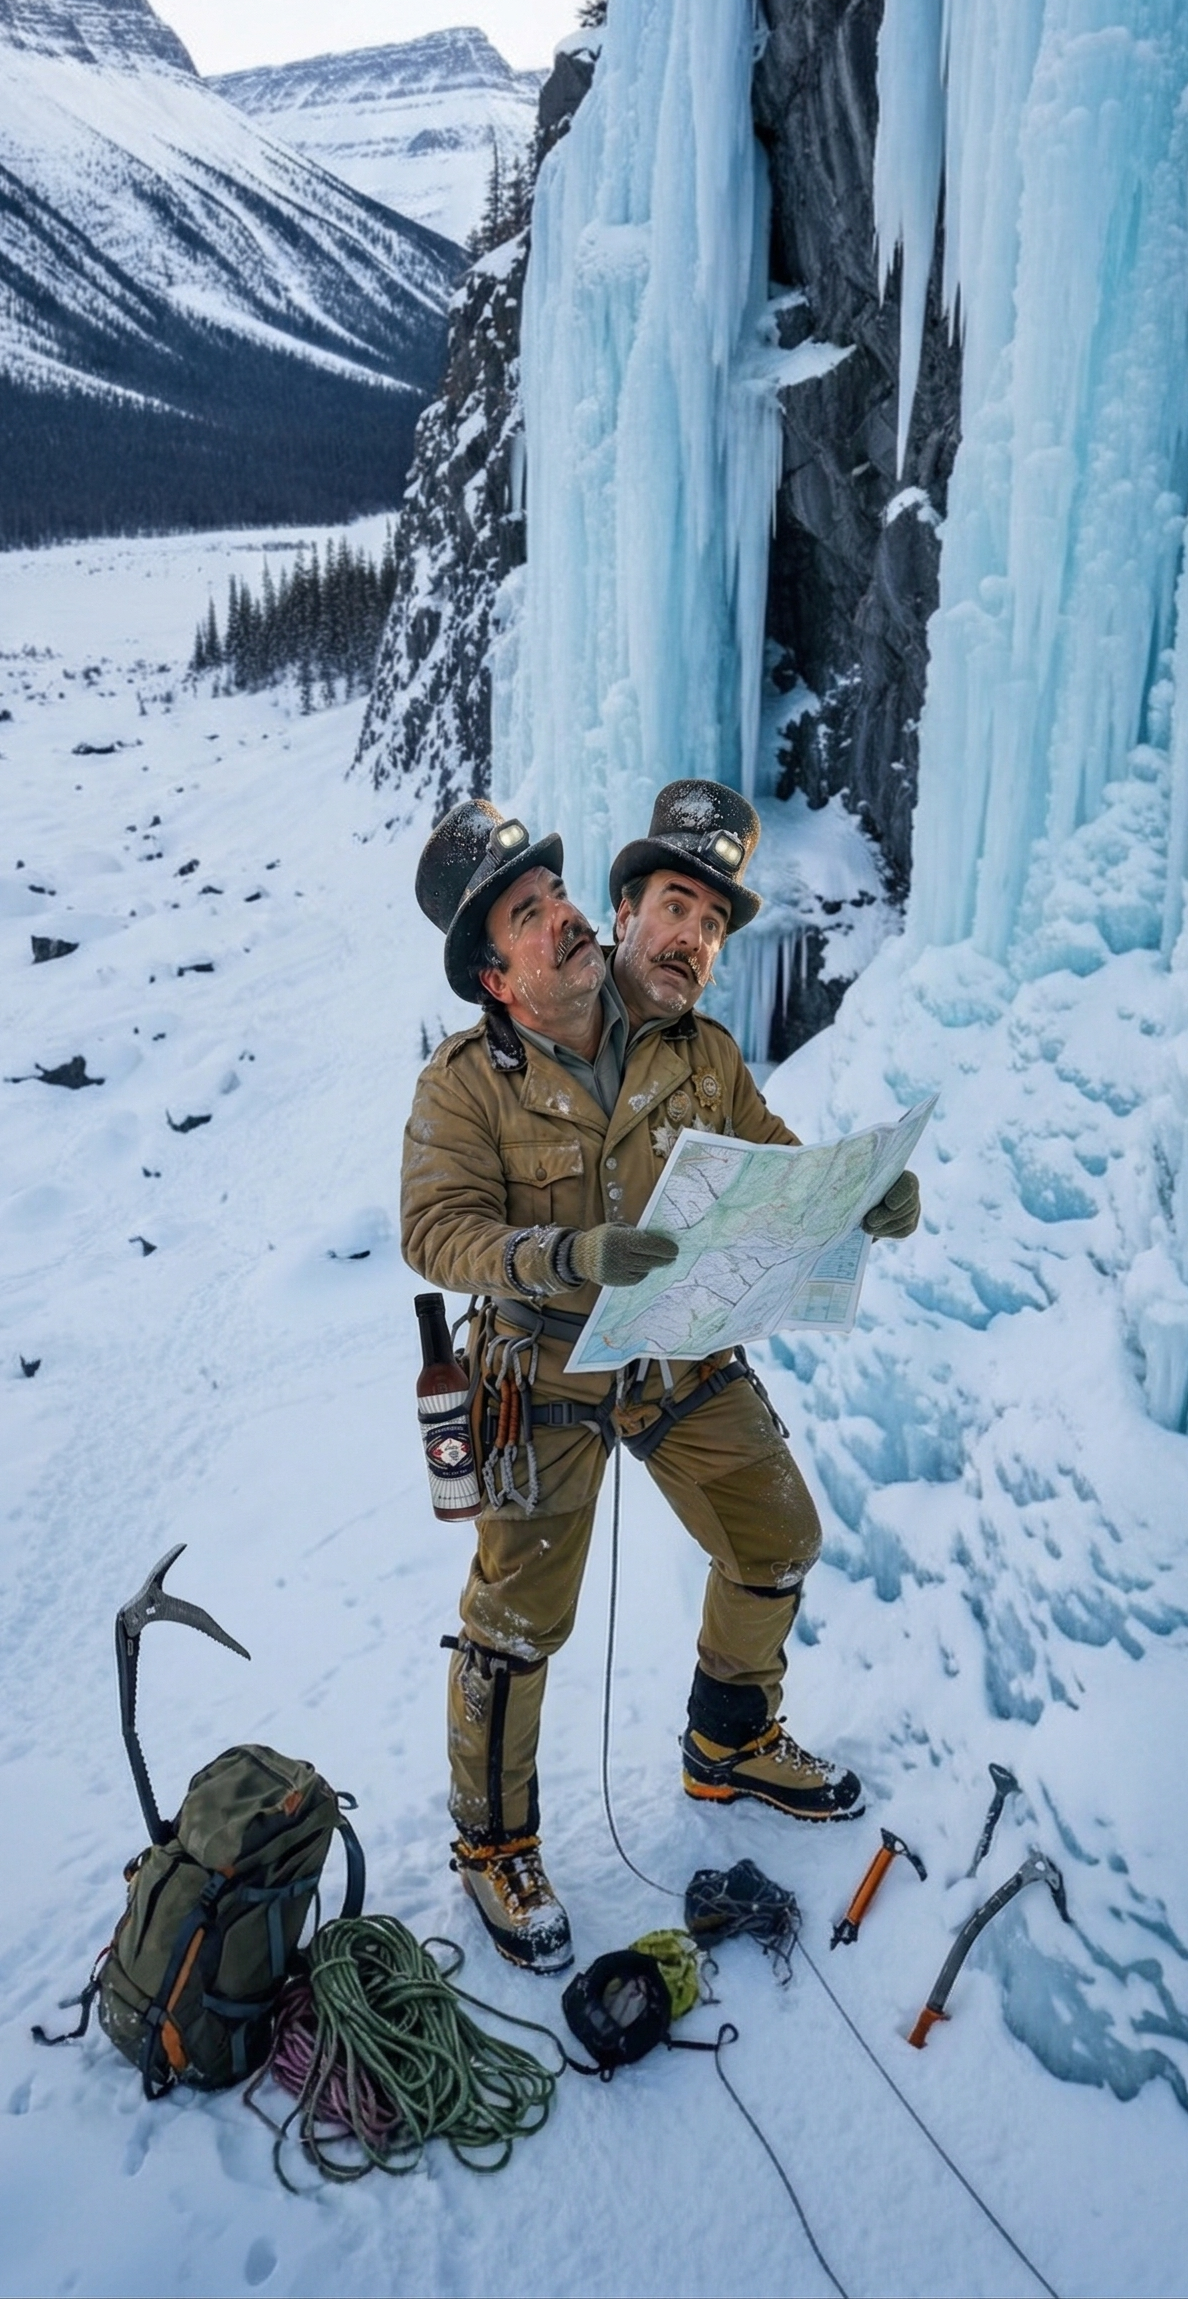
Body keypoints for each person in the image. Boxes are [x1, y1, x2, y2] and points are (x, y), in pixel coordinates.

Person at [401, 782, 920, 1970]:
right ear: (496, 974)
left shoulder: (703, 1055)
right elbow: (436, 1231)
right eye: (532, 913)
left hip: (681, 1351)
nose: (564, 918)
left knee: (777, 1539)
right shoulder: (465, 1081)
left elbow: (779, 1176)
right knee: (518, 1622)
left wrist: (862, 1199)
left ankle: (728, 1742)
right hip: (541, 1376)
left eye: (560, 895)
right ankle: (492, 1847)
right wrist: (562, 1255)